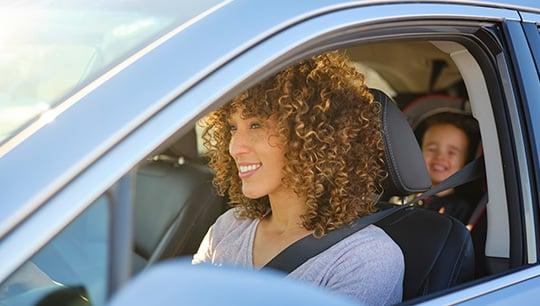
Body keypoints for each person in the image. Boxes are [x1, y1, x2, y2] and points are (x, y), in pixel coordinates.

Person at [192, 52, 404, 305]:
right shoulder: (230, 227)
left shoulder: (365, 257)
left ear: (313, 135)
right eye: (233, 128)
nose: (234, 147)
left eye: (256, 125)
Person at [417, 112, 481, 223]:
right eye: (432, 149)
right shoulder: (403, 198)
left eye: (451, 152)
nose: (440, 157)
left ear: (465, 161)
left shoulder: (461, 209)